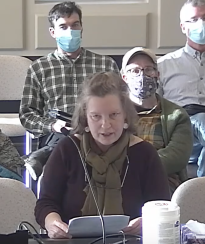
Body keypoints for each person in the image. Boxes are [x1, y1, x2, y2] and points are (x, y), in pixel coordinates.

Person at [35, 72, 170, 239]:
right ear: (85, 118)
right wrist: (52, 223)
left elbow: (162, 207)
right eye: (96, 116)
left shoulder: (144, 153)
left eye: (114, 115)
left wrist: (147, 221)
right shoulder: (67, 149)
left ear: (126, 116)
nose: (106, 125)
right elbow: (46, 203)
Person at [19, 1, 119, 142]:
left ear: (81, 28)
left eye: (75, 25)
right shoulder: (39, 68)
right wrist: (52, 125)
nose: (70, 31)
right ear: (53, 32)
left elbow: (121, 106)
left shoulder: (105, 64)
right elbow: (27, 115)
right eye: (63, 26)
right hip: (58, 136)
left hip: (99, 134)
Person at [121, 47, 192, 193]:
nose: (142, 75)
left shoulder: (177, 115)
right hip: (121, 182)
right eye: (134, 70)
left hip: (163, 182)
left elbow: (177, 157)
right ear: (124, 77)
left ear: (157, 75)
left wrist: (136, 166)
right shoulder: (114, 113)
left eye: (148, 70)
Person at [158, 0, 205, 177]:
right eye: (193, 19)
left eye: (204, 18)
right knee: (201, 119)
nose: (201, 24)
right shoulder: (164, 65)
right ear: (183, 27)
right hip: (180, 127)